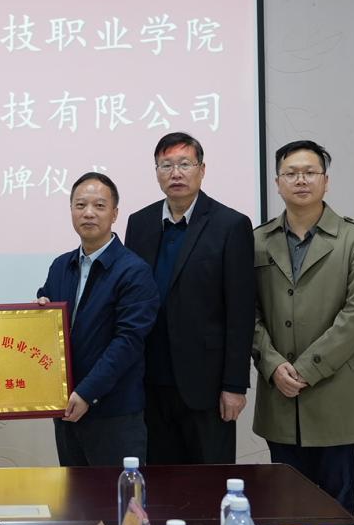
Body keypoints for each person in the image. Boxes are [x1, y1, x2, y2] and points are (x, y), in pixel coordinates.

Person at [252, 140, 354, 515]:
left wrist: (305, 370)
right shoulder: (257, 240)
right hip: (280, 395)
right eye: (291, 173)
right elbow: (249, 314)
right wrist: (273, 365)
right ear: (277, 183)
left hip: (336, 397)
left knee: (337, 508)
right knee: (284, 506)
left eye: (310, 172)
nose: (301, 180)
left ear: (326, 181)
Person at [124, 132, 255, 464]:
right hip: (150, 383)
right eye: (166, 165)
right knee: (160, 482)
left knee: (210, 482)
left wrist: (234, 385)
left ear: (202, 169)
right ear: (156, 172)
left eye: (185, 164)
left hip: (207, 387)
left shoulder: (231, 225)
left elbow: (241, 313)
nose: (176, 173)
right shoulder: (139, 223)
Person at [37, 172, 159, 466]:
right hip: (67, 409)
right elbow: (49, 321)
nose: (88, 213)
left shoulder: (134, 271)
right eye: (80, 205)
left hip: (114, 413)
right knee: (75, 493)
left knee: (120, 493)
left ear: (115, 214)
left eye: (99, 206)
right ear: (71, 210)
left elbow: (128, 342)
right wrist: (39, 312)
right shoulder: (60, 266)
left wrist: (86, 392)